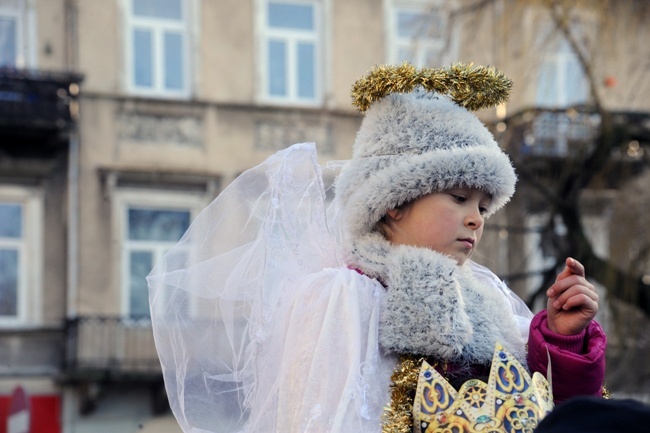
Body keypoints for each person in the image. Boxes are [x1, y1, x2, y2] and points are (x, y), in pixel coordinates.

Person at [147, 63, 607, 433]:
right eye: (459, 197)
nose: (476, 219)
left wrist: (564, 340)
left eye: (485, 206)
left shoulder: (486, 296)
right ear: (393, 204)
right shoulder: (344, 299)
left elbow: (556, 416)